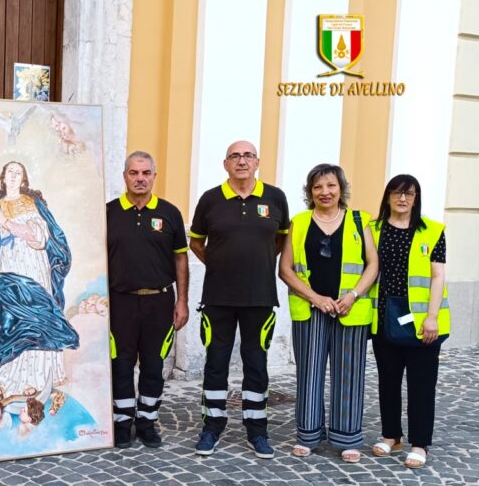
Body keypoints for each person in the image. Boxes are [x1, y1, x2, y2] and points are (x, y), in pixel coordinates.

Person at [189, 141, 290, 458]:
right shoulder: (210, 199)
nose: (242, 161)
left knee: (256, 364)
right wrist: (220, 264)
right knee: (215, 363)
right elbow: (196, 242)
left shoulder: (275, 197)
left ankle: (257, 431)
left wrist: (257, 262)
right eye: (235, 155)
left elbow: (281, 238)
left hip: (260, 297)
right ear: (225, 163)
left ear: (257, 161)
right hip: (218, 296)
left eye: (248, 155)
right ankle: (212, 427)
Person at [279, 164, 378, 462]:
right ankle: (307, 435)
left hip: (351, 310)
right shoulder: (299, 222)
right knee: (309, 373)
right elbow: (285, 270)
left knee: (349, 374)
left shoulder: (360, 220)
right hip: (311, 310)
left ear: (341, 188)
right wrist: (316, 298)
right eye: (318, 187)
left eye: (331, 186)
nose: (325, 192)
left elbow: (372, 264)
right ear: (310, 192)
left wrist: (353, 295)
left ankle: (347, 438)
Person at [0, 161, 79, 410]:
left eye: (19, 172)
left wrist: (6, 222)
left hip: (34, 270)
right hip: (9, 269)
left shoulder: (32, 204)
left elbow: (39, 237)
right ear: (3, 178)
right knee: (12, 320)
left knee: (36, 317)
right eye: (10, 172)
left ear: (25, 179)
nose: (14, 176)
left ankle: (40, 380)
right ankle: (14, 382)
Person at [106, 151, 189, 449]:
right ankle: (122, 422)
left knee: (154, 366)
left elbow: (181, 259)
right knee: (121, 364)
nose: (140, 178)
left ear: (154, 176)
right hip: (119, 303)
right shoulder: (108, 212)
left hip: (159, 303)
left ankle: (147, 422)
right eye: (133, 173)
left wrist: (183, 301)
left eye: (145, 173)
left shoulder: (169, 213)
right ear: (125, 176)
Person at [368, 174, 449, 469]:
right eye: (397, 193)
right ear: (388, 196)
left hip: (420, 321)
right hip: (384, 317)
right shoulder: (373, 230)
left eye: (409, 194)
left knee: (421, 383)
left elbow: (438, 275)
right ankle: (391, 435)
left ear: (416, 198)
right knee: (388, 380)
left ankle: (419, 443)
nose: (403, 199)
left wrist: (432, 316)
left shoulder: (432, 231)